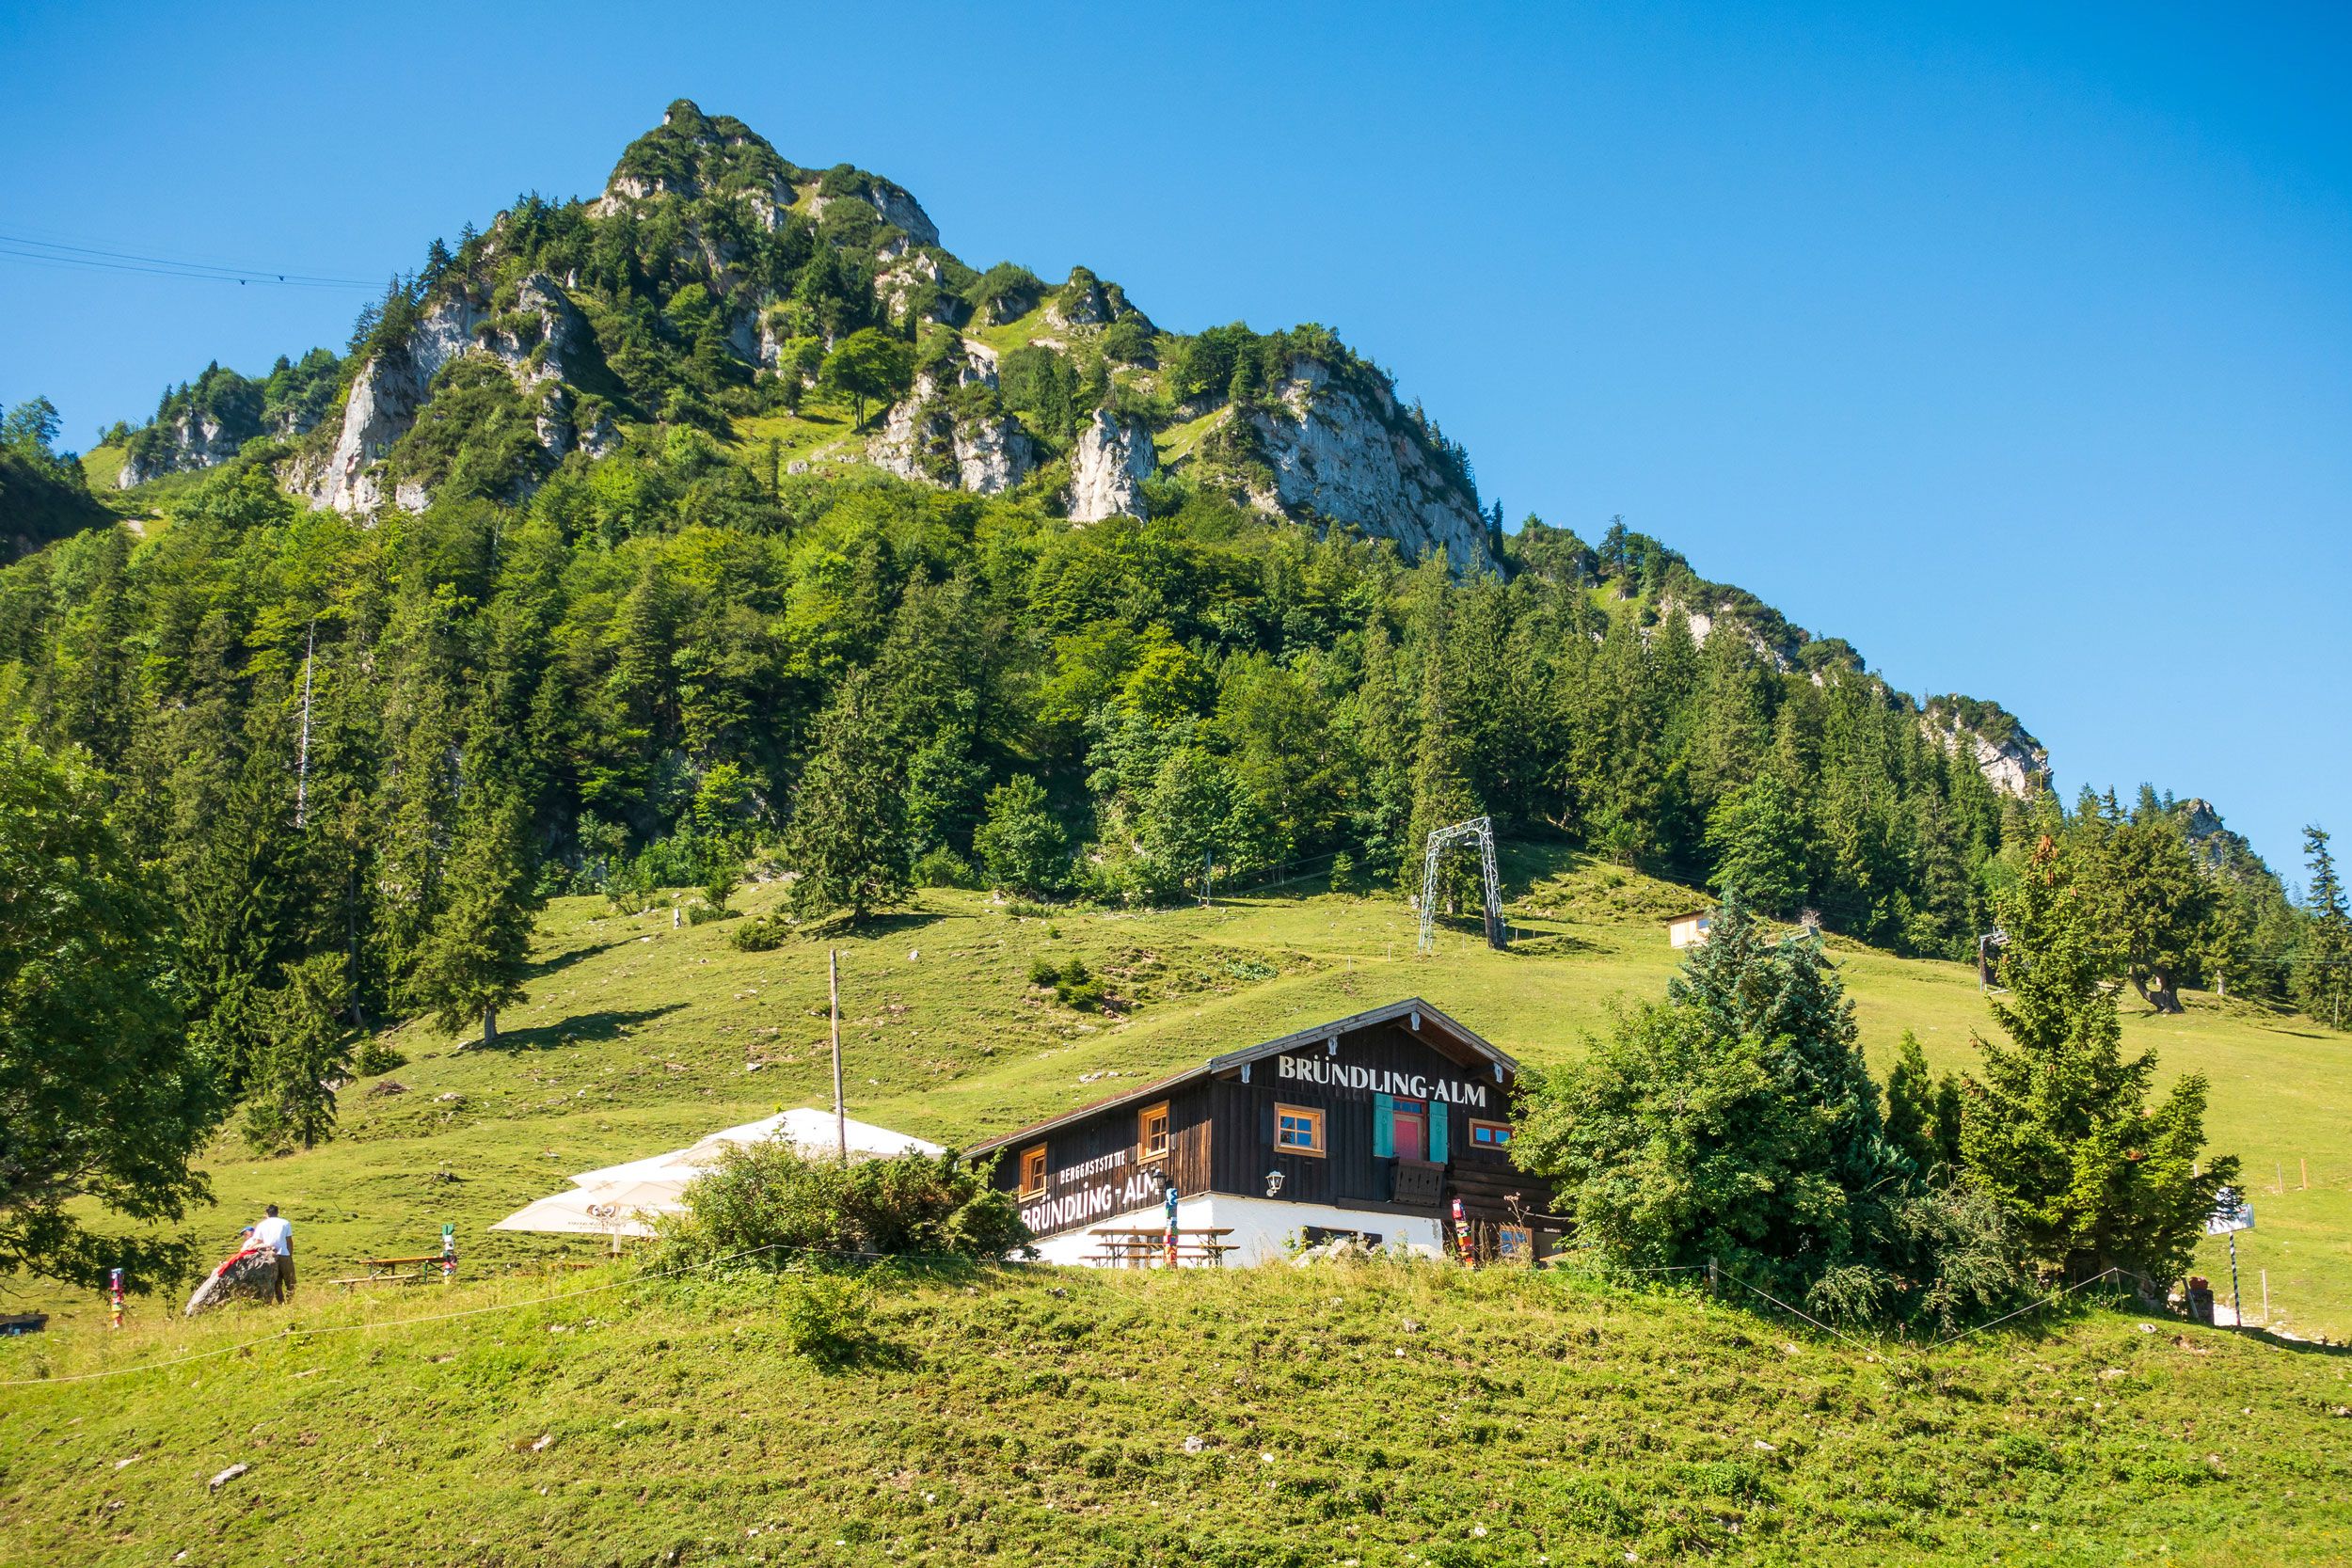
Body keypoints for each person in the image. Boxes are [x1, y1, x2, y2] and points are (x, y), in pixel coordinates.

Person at [249, 1204, 294, 1304]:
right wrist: (290, 1255)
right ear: (277, 1212)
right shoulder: (285, 1223)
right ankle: (290, 1301)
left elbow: (258, 1241)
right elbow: (289, 1241)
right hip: (283, 1253)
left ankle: (281, 1302)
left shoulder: (261, 1225)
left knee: (276, 1281)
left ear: (266, 1213)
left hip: (269, 1255)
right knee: (290, 1280)